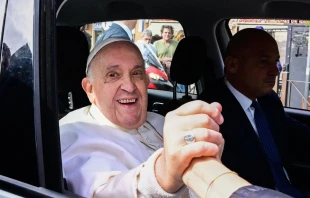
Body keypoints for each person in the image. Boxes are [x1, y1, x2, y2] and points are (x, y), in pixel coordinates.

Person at [59, 38, 225, 198]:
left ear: (146, 81)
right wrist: (164, 174)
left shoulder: (159, 121)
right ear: (90, 88)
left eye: (136, 73)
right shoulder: (71, 132)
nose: (129, 86)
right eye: (113, 75)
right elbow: (104, 191)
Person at [201, 28, 310, 197]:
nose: (275, 70)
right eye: (263, 62)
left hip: (292, 189)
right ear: (232, 65)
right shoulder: (209, 112)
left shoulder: (268, 100)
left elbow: (289, 127)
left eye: (276, 61)